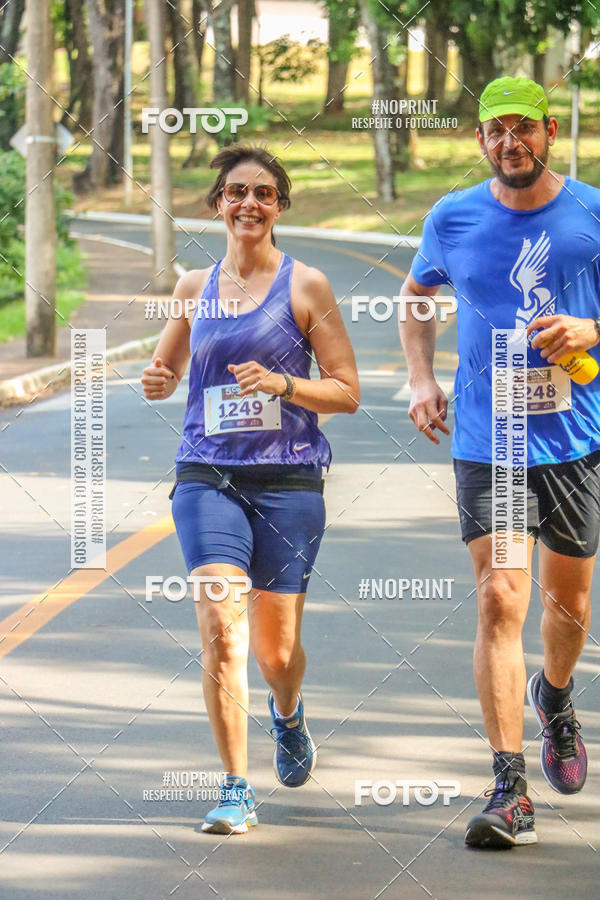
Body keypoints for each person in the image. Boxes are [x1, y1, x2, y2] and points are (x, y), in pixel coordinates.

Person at [399, 77, 600, 848]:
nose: (510, 142)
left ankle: (555, 695)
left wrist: (589, 329)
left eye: (524, 128)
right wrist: (421, 378)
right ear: (480, 140)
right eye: (495, 131)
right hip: (494, 443)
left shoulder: (588, 210)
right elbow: (416, 297)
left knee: (568, 608)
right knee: (500, 600)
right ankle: (510, 787)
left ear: (550, 131)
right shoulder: (452, 216)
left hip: (576, 438)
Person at [141, 144, 359, 834]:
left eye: (264, 194)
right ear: (217, 205)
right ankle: (236, 787)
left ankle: (287, 713)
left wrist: (284, 384)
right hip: (207, 476)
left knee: (276, 651)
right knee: (220, 631)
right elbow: (167, 366)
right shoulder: (191, 288)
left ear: (279, 208)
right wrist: (157, 380)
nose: (248, 204)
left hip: (290, 482)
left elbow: (348, 392)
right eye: (236, 192)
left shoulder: (307, 287)